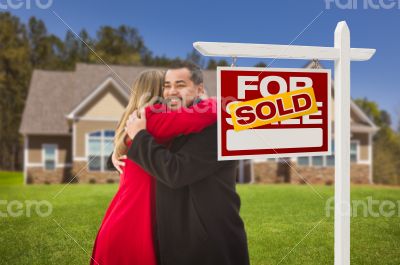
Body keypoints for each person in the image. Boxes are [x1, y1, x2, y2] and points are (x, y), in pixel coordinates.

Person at [122, 61, 250, 265]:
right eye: (167, 85)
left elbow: (176, 172)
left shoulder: (218, 127)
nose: (171, 92)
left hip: (209, 243)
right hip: (178, 239)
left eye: (180, 85)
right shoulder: (175, 121)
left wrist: (140, 138)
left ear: (199, 89)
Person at [90, 69, 217, 265]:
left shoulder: (133, 120)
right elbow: (203, 116)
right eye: (167, 87)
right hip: (133, 231)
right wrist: (214, 100)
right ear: (159, 91)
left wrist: (115, 153)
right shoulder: (154, 118)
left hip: (118, 224)